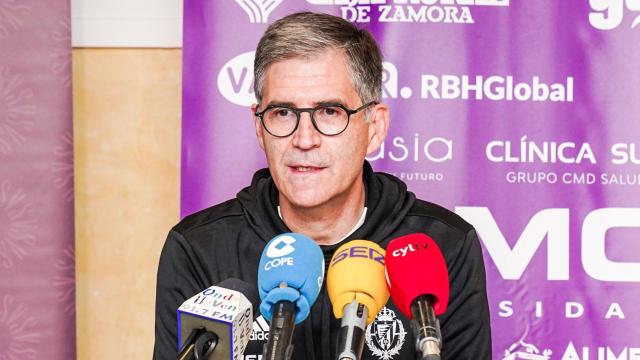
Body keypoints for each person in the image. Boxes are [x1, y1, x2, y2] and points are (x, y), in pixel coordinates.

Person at [154, 11, 491, 360]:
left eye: (330, 112)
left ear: (374, 127)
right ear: (259, 127)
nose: (304, 139)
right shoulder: (198, 249)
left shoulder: (442, 246)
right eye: (283, 113)